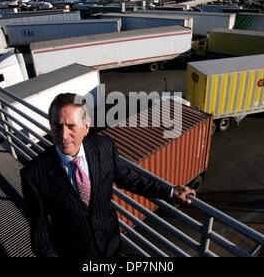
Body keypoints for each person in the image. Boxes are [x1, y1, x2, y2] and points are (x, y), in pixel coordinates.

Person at [21, 93, 196, 257]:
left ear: (86, 126)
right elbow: (40, 232)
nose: (63, 135)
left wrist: (171, 192)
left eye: (71, 126)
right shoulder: (34, 175)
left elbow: (128, 178)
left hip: (111, 246)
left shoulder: (104, 147)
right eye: (57, 126)